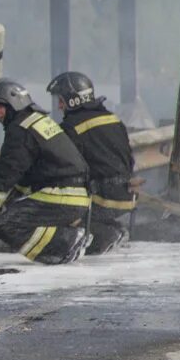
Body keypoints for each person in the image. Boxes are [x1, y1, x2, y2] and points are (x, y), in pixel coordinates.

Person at [0, 78, 90, 265]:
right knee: (13, 213)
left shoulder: (20, 128)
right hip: (75, 195)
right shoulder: (37, 122)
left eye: (0, 106)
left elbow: (7, 170)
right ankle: (67, 239)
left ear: (15, 102)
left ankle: (65, 243)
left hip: (62, 195)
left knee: (7, 223)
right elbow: (27, 172)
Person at [46, 71, 135, 255]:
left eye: (61, 100)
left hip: (101, 199)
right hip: (127, 197)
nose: (60, 106)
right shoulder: (113, 119)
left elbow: (62, 167)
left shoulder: (71, 127)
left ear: (73, 100)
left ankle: (102, 232)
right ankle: (110, 228)